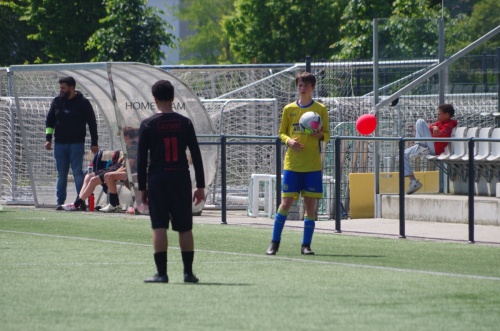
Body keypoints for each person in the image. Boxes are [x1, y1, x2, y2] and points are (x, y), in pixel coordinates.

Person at [137, 80, 205, 283]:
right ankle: (188, 273)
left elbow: (141, 160)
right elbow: (196, 154)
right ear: (173, 98)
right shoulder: (185, 123)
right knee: (185, 227)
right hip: (180, 177)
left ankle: (162, 273)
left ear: (155, 99)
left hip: (158, 178)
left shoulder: (148, 124)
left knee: (159, 225)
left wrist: (142, 188)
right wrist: (200, 185)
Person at [266, 72, 330, 256]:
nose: (303, 88)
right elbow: (281, 133)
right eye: (300, 85)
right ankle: (274, 243)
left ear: (313, 88)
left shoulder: (320, 109)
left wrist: (320, 135)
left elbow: (327, 134)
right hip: (292, 164)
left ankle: (306, 245)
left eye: (306, 85)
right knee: (285, 203)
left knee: (310, 205)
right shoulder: (289, 109)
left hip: (312, 165)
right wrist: (289, 142)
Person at [45, 76, 99, 210]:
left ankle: (80, 201)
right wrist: (48, 138)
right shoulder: (57, 101)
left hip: (76, 143)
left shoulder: (83, 102)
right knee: (61, 173)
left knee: (77, 173)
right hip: (60, 144)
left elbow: (92, 123)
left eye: (63, 88)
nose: (61, 90)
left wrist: (94, 142)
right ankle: (60, 201)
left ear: (72, 88)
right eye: (60, 88)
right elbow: (50, 121)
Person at [404, 103, 458, 194]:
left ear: (447, 115)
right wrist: (435, 127)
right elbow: (429, 128)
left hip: (434, 148)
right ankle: (413, 181)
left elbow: (439, 135)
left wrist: (433, 129)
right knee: (403, 154)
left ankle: (420, 146)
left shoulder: (449, 125)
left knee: (420, 121)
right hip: (427, 145)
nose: (438, 116)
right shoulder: (439, 123)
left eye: (439, 114)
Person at [98, 127, 139, 212]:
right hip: (131, 171)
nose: (122, 138)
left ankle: (115, 205)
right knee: (108, 175)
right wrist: (113, 174)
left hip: (137, 172)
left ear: (127, 136)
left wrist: (112, 175)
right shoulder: (129, 146)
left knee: (109, 176)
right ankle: (114, 204)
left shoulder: (134, 146)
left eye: (123, 136)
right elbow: (125, 165)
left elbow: (129, 167)